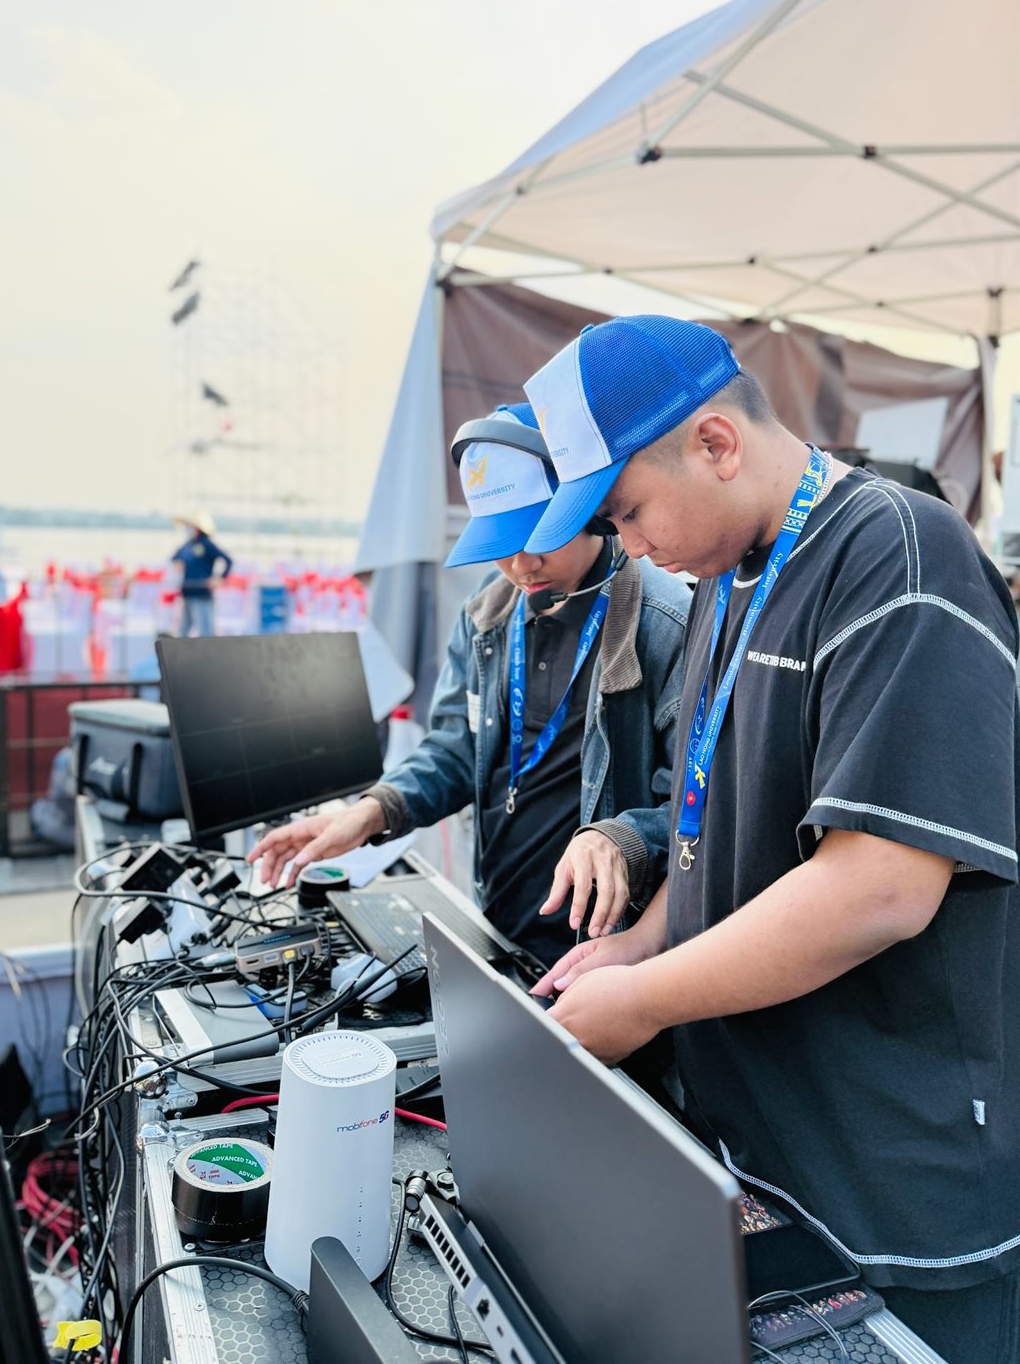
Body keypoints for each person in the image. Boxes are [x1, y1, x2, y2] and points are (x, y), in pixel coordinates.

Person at [522, 315, 1020, 1361]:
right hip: (764, 1149)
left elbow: (879, 886)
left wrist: (644, 1002)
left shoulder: (899, 554)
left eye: (628, 512)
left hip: (890, 1184)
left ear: (716, 442)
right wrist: (639, 943)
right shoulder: (727, 575)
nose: (631, 547)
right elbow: (710, 814)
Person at [249, 404, 690, 969]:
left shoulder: (665, 622)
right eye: (500, 543)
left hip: (609, 947)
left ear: (587, 509)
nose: (522, 565)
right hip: (501, 922)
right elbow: (455, 748)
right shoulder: (487, 614)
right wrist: (373, 810)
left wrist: (623, 839)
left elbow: (700, 802)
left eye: (538, 536)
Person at [171, 510, 232, 638]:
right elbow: (175, 558)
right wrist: (178, 564)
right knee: (183, 633)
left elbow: (228, 560)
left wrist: (220, 578)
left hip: (202, 592)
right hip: (188, 591)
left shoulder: (207, 544)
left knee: (206, 631)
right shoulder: (188, 545)